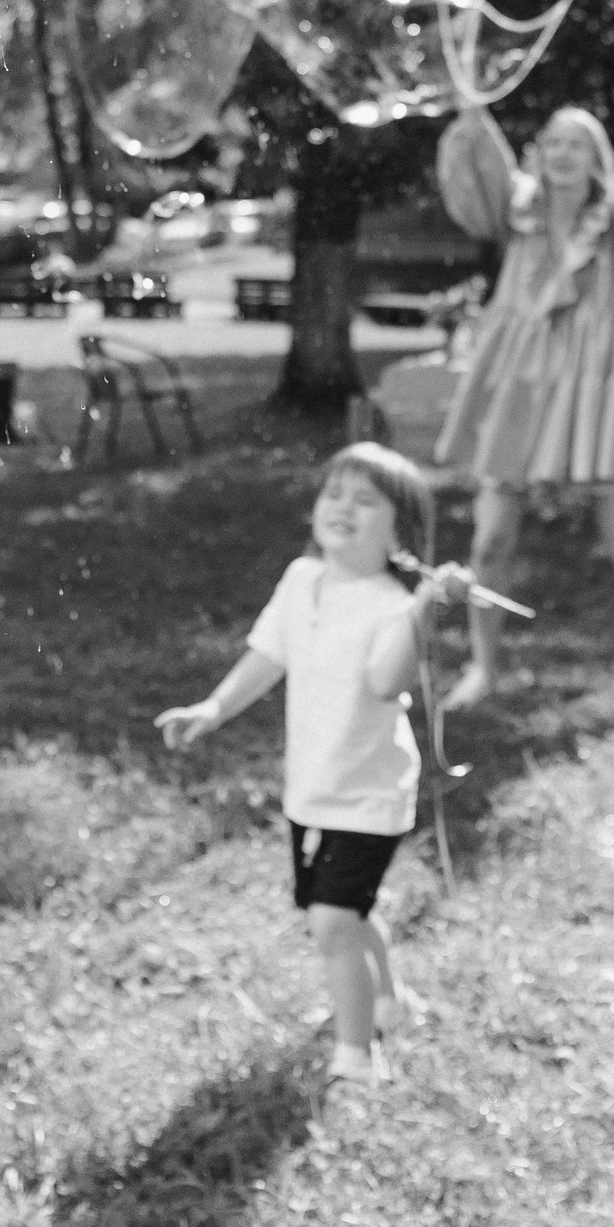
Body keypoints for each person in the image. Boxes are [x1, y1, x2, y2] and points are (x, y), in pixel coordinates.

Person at [153, 442, 471, 1088]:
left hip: (370, 795)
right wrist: (213, 707)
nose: (343, 507)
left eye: (365, 500)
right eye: (334, 493)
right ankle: (392, 999)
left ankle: (357, 1052)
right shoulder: (301, 581)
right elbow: (268, 655)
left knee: (331, 921)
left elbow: (386, 682)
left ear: (401, 534)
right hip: (313, 787)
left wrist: (422, 614)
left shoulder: (391, 606)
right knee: (345, 911)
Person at [431, 28, 614, 718]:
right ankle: (484, 668)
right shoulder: (516, 211)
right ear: (540, 154)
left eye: (576, 144)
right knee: (490, 539)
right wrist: (469, 81)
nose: (561, 154)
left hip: (593, 386)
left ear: (596, 159)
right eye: (552, 142)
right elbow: (478, 145)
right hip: (518, 385)